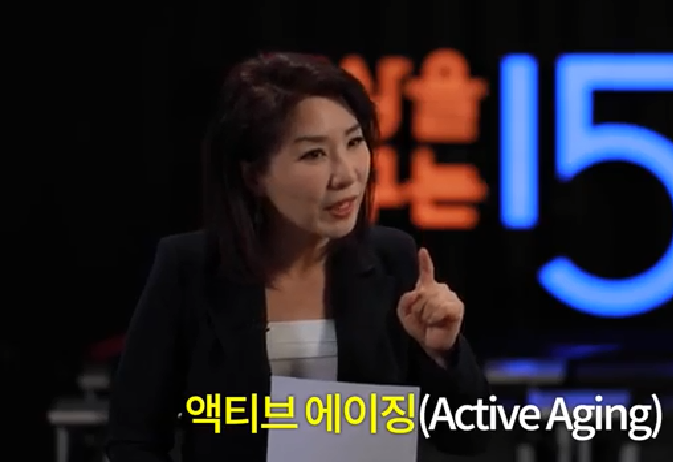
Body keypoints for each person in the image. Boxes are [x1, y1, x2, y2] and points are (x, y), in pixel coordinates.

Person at [105, 52, 491, 462]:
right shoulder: (190, 268)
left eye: (354, 142)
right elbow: (134, 441)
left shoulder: (393, 258)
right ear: (254, 175)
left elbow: (468, 438)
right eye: (313, 154)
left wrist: (443, 353)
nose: (346, 174)